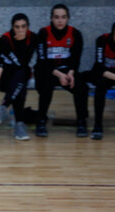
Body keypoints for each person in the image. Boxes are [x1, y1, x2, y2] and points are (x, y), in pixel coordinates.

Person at [34, 3, 89, 137]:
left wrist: (70, 73)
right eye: (56, 17)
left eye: (63, 17)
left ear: (68, 18)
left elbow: (76, 59)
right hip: (47, 71)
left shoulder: (75, 34)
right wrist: (59, 75)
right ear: (51, 18)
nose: (60, 20)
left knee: (81, 87)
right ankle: (41, 121)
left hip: (67, 71)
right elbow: (42, 61)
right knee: (46, 86)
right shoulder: (43, 33)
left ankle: (81, 121)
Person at [0, 13, 38, 140]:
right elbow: (16, 62)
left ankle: (4, 107)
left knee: (21, 77)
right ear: (12, 27)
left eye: (23, 26)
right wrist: (0, 69)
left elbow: (23, 61)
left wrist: (4, 66)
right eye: (17, 27)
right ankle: (18, 124)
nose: (21, 30)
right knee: (22, 74)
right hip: (0, 75)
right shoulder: (5, 39)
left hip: (16, 75)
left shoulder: (32, 38)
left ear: (28, 27)